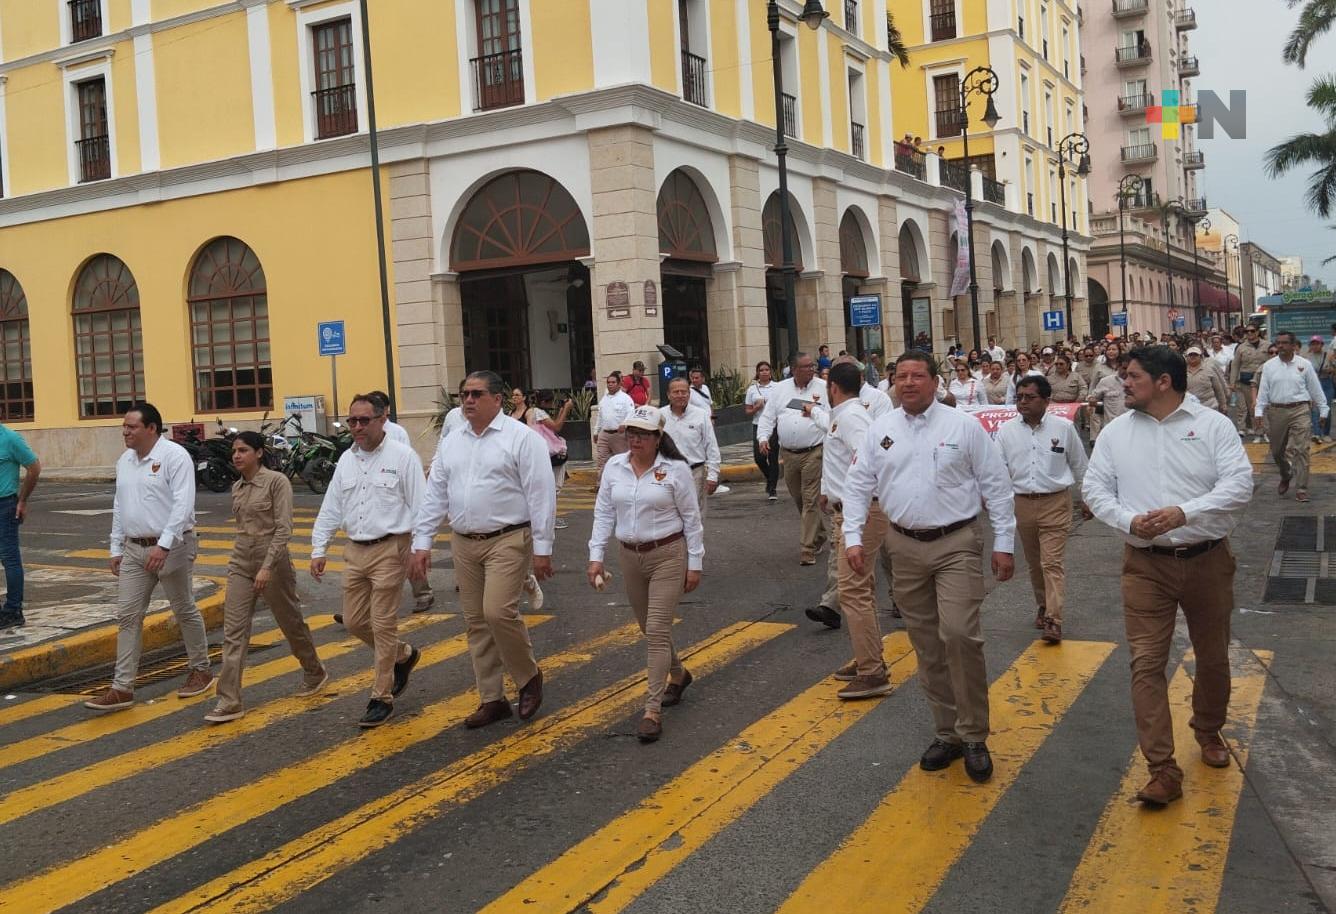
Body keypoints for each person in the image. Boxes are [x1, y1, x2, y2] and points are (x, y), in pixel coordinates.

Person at [1082, 345, 1253, 806]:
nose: (1124, 383)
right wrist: (1127, 520)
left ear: (1163, 382)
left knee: (1213, 656)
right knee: (1146, 663)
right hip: (1144, 566)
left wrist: (1184, 512)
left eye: (1133, 376)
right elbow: (1094, 488)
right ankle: (1162, 768)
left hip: (1208, 560)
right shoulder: (1117, 432)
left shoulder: (1213, 426)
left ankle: (1209, 730)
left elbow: (1239, 485)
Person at [842, 351, 1016, 784]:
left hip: (956, 542)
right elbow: (859, 483)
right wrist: (852, 537)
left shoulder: (963, 427)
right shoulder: (880, 430)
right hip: (904, 546)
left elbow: (996, 484)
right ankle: (948, 732)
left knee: (958, 634)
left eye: (918, 375)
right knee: (926, 644)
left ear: (936, 382)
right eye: (901, 376)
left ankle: (974, 735)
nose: (909, 383)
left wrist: (1005, 544)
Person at [410, 370, 555, 729]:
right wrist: (422, 542)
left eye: (476, 394)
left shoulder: (522, 439)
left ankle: (528, 677)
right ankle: (492, 698)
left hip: (508, 537)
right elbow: (436, 494)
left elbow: (541, 494)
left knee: (497, 613)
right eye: (464, 395)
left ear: (497, 399)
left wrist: (543, 548)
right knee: (475, 621)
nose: (468, 401)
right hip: (463, 540)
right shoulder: (453, 441)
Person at [587, 406, 704, 742]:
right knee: (648, 627)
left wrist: (694, 564)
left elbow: (692, 520)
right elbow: (604, 512)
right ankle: (679, 673)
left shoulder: (675, 470)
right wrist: (596, 557)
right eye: (630, 433)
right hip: (630, 557)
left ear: (658, 438)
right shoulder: (614, 466)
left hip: (668, 554)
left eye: (642, 434)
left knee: (655, 629)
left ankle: (652, 709)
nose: (633, 439)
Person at [86, 403, 213, 712]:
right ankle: (122, 688)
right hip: (133, 548)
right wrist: (116, 546)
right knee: (128, 615)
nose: (125, 432)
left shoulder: (174, 456)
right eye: (124, 427)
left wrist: (165, 545)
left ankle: (201, 669)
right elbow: (120, 505)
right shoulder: (125, 461)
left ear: (152, 428)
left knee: (183, 608)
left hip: (172, 546)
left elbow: (183, 504)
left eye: (132, 427)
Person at [310, 394, 424, 728]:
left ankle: (381, 697)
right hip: (355, 549)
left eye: (364, 420)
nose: (357, 427)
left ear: (381, 420)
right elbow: (332, 506)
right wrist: (319, 549)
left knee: (383, 622)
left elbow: (421, 506)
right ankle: (403, 655)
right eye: (352, 421)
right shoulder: (347, 459)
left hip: (391, 547)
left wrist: (420, 549)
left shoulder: (403, 457)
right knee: (356, 621)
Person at [204, 432, 326, 723]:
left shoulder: (276, 482)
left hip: (273, 560)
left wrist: (267, 566)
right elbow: (242, 528)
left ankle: (314, 670)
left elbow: (284, 529)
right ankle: (229, 699)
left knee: (290, 622)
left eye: (243, 450)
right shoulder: (237, 487)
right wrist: (247, 563)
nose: (236, 455)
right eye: (234, 451)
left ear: (259, 453)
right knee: (234, 632)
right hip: (241, 561)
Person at [816, 362, 894, 699]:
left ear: (833, 387)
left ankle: (872, 672)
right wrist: (828, 490)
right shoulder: (846, 414)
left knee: (852, 591)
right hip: (849, 510)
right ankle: (869, 657)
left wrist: (850, 508)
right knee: (862, 588)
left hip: (859, 512)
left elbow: (867, 459)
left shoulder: (851, 417)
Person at [997, 376, 1089, 644]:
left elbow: (1080, 464)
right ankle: (1043, 604)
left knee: (1051, 562)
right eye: (1019, 397)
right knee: (1035, 563)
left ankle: (1054, 619)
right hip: (1022, 503)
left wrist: (1087, 497)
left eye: (1029, 397)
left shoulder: (1064, 428)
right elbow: (998, 470)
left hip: (1055, 502)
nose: (1023, 402)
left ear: (1046, 401)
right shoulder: (1006, 431)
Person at [756, 352, 828, 565]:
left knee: (810, 499)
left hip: (814, 451)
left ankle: (807, 548)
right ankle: (820, 534)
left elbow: (832, 417)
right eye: (806, 366)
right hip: (788, 454)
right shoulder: (781, 389)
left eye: (812, 365)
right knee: (799, 498)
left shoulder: (823, 388)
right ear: (794, 369)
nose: (811, 369)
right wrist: (762, 437)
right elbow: (768, 417)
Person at [368, 390, 434, 612]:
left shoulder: (397, 432)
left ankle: (423, 592)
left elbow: (408, 460)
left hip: (397, 500)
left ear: (384, 413)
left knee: (406, 554)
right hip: (375, 504)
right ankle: (366, 604)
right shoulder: (362, 432)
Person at [1256, 331, 1329, 503]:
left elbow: (1315, 388)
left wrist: (1323, 409)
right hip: (1276, 411)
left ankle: (1302, 488)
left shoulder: (1304, 365)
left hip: (1300, 410)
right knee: (1277, 451)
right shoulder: (1269, 366)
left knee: (1301, 449)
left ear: (1293, 345)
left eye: (1284, 343)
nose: (1280, 346)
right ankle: (1286, 473)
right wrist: (1259, 411)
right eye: (1278, 343)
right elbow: (1263, 390)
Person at [660, 377, 720, 517]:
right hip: (667, 472)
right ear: (668, 394)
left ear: (689, 393)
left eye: (684, 392)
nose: (680, 395)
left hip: (695, 473)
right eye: (676, 392)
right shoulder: (660, 416)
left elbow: (711, 445)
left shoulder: (701, 415)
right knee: (669, 513)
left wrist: (713, 475)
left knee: (694, 514)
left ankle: (695, 539)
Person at [0, 422, 39, 629]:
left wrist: (22, 500)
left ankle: (13, 610)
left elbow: (34, 467)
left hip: (4, 504)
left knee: (9, 558)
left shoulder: (10, 438)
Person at [522, 390, 574, 530]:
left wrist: (561, 410)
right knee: (554, 487)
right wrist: (566, 410)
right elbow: (557, 426)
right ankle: (550, 518)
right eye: (551, 401)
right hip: (551, 453)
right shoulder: (539, 412)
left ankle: (544, 517)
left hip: (543, 452)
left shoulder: (534, 412)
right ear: (544, 402)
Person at [746, 361, 781, 500]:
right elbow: (747, 411)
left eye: (767, 369)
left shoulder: (778, 387)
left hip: (774, 426)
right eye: (761, 370)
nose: (764, 372)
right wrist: (756, 408)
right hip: (758, 424)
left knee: (773, 457)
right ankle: (769, 478)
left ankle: (772, 488)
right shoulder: (752, 389)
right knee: (759, 457)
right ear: (757, 372)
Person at [1229, 325, 1269, 441]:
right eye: (1247, 331)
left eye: (1252, 331)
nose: (1250, 333)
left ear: (1257, 332)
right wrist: (1232, 382)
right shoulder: (1241, 348)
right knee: (1252, 408)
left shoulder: (1267, 345)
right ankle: (1258, 433)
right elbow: (1235, 365)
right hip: (1247, 381)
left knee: (1266, 408)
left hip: (1263, 380)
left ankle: (1266, 431)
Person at [596, 371, 634, 477]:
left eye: (613, 382)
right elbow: (600, 416)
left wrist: (624, 424)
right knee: (601, 460)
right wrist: (596, 432)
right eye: (608, 382)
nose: (610, 384)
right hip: (604, 434)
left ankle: (625, 480)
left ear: (619, 384)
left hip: (619, 434)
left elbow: (631, 413)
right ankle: (600, 484)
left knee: (622, 459)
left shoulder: (625, 398)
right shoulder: (604, 399)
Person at [1303, 335, 1332, 441]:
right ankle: (1317, 433)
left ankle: (1326, 433)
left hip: (1326, 383)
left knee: (1326, 407)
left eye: (1317, 343)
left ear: (1322, 344)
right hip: (1314, 384)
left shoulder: (1329, 355)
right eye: (1313, 344)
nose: (1315, 346)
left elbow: (1333, 369)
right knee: (1315, 409)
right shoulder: (1307, 357)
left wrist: (1330, 370)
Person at [1184, 347, 1229, 414]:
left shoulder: (1209, 370)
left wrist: (1223, 404)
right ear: (1186, 357)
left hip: (1209, 405)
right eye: (1190, 355)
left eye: (1195, 355)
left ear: (1201, 357)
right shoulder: (1181, 371)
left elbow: (1218, 389)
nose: (1193, 357)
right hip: (1189, 406)